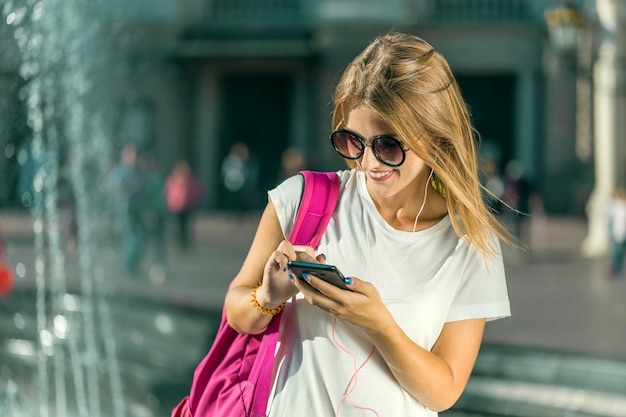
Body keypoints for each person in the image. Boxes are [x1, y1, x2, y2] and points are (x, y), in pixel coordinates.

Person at [223, 32, 512, 416]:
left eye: (388, 146)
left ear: (435, 137)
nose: (369, 164)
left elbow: (444, 392)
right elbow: (236, 311)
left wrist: (379, 325)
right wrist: (270, 295)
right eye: (352, 142)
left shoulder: (470, 242)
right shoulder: (301, 200)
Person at [107, 144, 146, 275]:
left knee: (138, 236)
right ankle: (129, 265)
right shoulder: (121, 171)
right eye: (132, 155)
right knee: (131, 237)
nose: (135, 158)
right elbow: (115, 190)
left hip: (136, 209)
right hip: (125, 209)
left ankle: (131, 264)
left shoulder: (136, 171)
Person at [165, 160, 203, 251]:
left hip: (186, 206)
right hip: (177, 207)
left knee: (184, 226)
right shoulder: (173, 180)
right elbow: (168, 192)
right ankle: (180, 243)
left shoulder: (190, 180)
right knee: (180, 226)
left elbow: (196, 192)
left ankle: (184, 243)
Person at [607, 187, 626, 278]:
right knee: (615, 252)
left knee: (620, 252)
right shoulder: (614, 207)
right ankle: (614, 269)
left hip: (622, 232)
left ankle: (617, 268)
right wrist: (609, 231)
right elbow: (610, 220)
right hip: (617, 232)